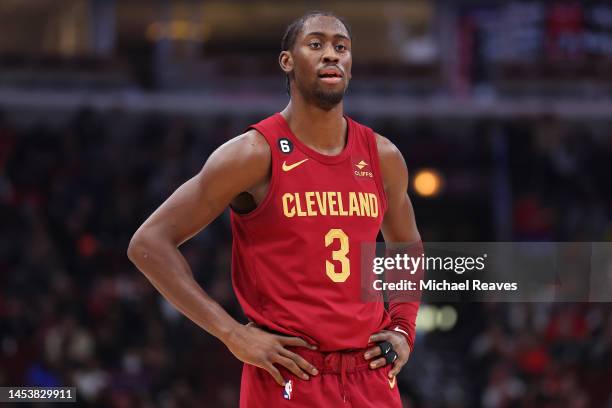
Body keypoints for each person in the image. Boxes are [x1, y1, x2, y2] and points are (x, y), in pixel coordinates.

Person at [128, 11, 421, 407]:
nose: (331, 55)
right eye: (316, 45)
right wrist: (231, 333)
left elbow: (406, 244)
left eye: (341, 47)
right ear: (287, 61)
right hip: (289, 374)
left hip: (369, 375)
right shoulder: (251, 154)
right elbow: (149, 243)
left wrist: (403, 328)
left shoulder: (382, 156)